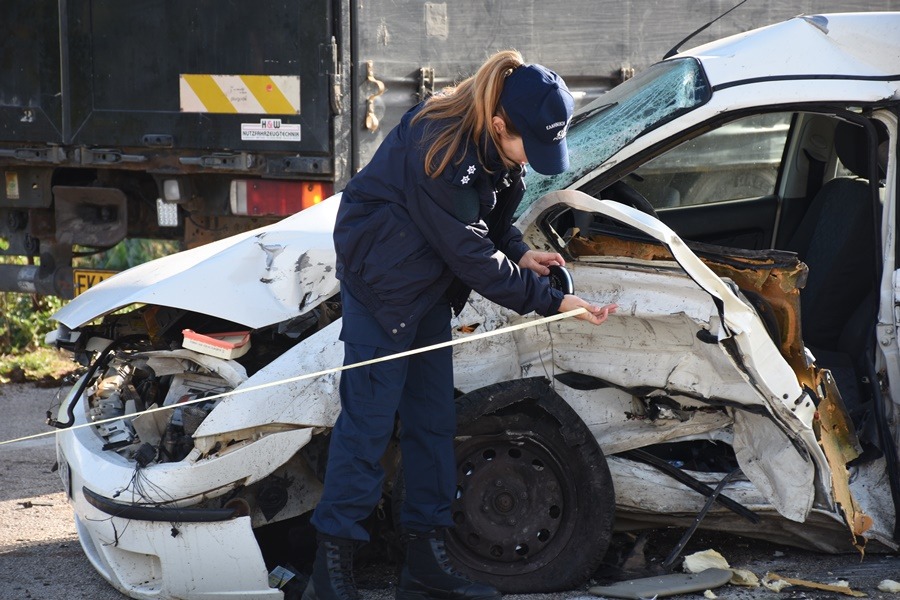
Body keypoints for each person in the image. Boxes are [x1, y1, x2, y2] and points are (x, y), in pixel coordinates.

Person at [303, 50, 617, 600]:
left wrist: (520, 253)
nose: (535, 159)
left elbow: (489, 220)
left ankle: (426, 564)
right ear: (500, 124)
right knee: (368, 427)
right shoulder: (439, 146)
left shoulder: (497, 140)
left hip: (427, 284)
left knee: (432, 421)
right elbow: (472, 255)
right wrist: (551, 302)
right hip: (382, 286)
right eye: (531, 145)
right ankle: (330, 576)